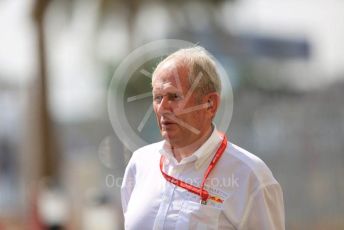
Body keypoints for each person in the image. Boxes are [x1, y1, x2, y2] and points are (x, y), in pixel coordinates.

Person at [121, 46, 285, 229]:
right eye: (158, 98)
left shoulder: (251, 176)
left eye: (174, 96)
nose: (162, 108)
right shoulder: (140, 163)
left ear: (210, 104)